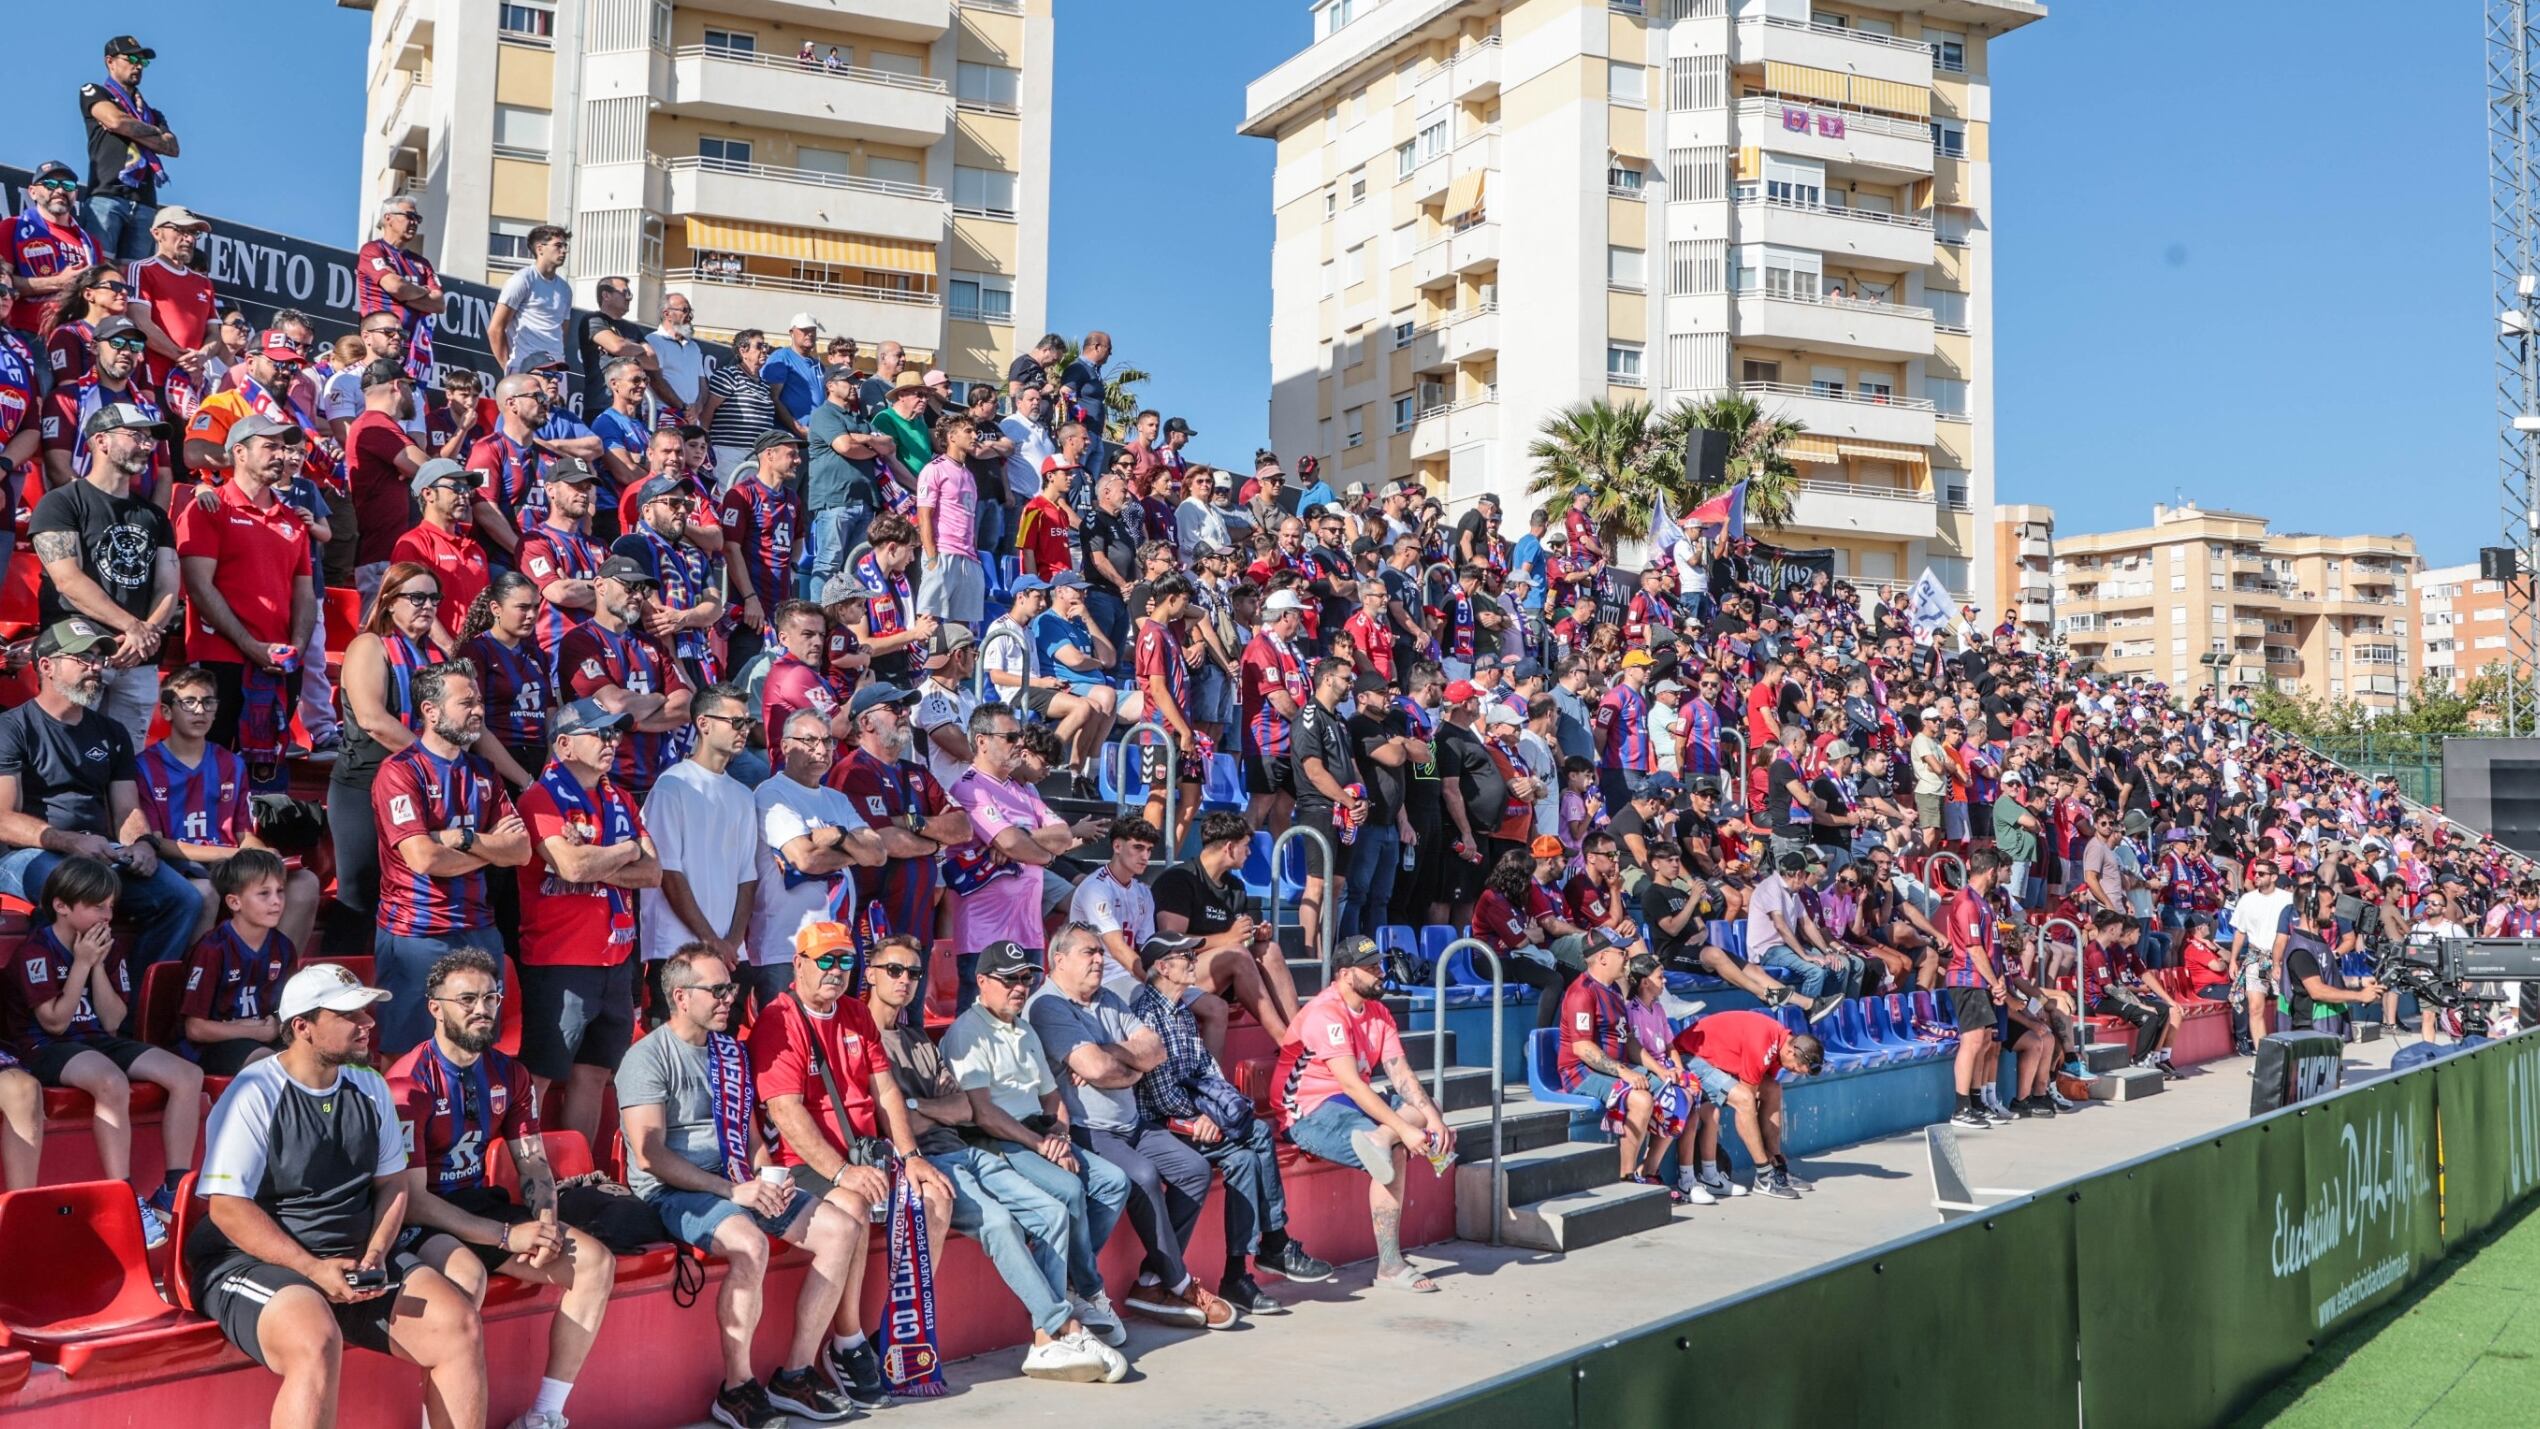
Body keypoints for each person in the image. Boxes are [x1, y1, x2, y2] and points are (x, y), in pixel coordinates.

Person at [186, 962, 491, 1429]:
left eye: (367, 1012)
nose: (367, 1023)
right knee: (315, 1339)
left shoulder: (370, 1085)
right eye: (350, 1014)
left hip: (350, 1256)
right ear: (303, 1027)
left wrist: (375, 1254)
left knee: (458, 1326)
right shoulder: (254, 1092)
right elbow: (228, 1209)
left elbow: (392, 1184)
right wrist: (310, 1268)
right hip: (249, 1260)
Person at [862, 934, 1128, 1383]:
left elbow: (961, 1108)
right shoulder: (863, 1038)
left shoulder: (916, 1037)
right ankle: (1060, 1328)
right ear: (870, 975)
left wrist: (909, 1109)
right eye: (894, 971)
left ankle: (1057, 1329)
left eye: (912, 972)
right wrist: (910, 1118)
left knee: (1054, 1211)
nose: (905, 980)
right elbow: (888, 1118)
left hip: (962, 1147)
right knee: (1004, 1222)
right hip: (931, 1161)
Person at [617, 943, 863, 1427]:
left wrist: (766, 1176)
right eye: (718, 990)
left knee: (840, 1230)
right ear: (681, 996)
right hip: (673, 1191)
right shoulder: (646, 1058)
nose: (730, 998)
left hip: (734, 1180)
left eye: (730, 988)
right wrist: (732, 1192)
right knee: (749, 1244)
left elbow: (748, 1133)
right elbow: (651, 1156)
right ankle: (737, 1388)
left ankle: (795, 1373)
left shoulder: (729, 1050)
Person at [388, 948, 617, 1429]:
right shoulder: (408, 1084)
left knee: (594, 1262)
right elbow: (411, 1201)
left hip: (481, 1208)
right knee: (466, 1277)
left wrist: (547, 1221)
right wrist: (503, 1237)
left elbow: (532, 1163)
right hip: (423, 1218)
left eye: (491, 998)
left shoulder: (508, 1073)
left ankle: (544, 1415)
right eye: (466, 999)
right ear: (435, 1007)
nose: (482, 1009)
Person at [748, 921, 957, 1410]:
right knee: (856, 1202)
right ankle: (848, 1341)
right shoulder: (779, 1020)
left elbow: (885, 1089)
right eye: (825, 960)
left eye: (845, 961)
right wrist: (843, 1172)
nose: (836, 972)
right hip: (805, 1162)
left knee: (936, 1197)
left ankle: (899, 1336)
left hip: (864, 1154)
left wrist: (910, 1156)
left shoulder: (856, 1013)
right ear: (798, 963)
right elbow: (786, 1112)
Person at [1027, 923, 1240, 1329]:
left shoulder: (1108, 997)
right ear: (1059, 960)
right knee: (1141, 1176)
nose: (1099, 959)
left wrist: (1112, 1059)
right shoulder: (1048, 1006)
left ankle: (1150, 1278)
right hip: (1088, 1128)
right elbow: (1094, 1067)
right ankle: (1180, 1284)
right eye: (1088, 952)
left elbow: (1154, 1051)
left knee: (1194, 1169)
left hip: (1132, 1122)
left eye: (1100, 952)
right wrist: (1123, 1064)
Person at [1124, 932, 1335, 1314]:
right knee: (1254, 1133)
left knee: (1243, 1160)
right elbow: (1159, 1094)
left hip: (1191, 1118)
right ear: (1162, 967)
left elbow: (1209, 1072)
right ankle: (1272, 1241)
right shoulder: (1145, 1012)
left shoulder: (1180, 1009)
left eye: (1192, 953)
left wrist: (1219, 1112)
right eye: (1184, 955)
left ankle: (1236, 1274)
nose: (1193, 960)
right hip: (1161, 1126)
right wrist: (1205, 1118)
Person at [940, 940, 1135, 1345]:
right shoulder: (966, 1032)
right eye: (1009, 979)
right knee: (1068, 1190)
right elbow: (982, 1113)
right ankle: (1083, 1293)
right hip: (999, 1140)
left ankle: (1068, 1283)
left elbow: (1050, 1097)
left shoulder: (1024, 1027)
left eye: (1026, 978)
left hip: (1039, 1134)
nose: (1020, 987)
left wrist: (1059, 1136)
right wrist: (1039, 1143)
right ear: (981, 982)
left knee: (1115, 1182)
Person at [3, 855, 201, 1242]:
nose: (107, 915)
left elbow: (112, 1020)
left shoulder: (102, 947)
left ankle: (173, 1186)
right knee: (110, 1080)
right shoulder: (35, 952)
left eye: (111, 906)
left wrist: (95, 965)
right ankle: (124, 1195)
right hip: (45, 1046)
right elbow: (56, 1022)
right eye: (97, 906)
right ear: (61, 906)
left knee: (187, 1075)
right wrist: (79, 964)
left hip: (96, 1037)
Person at [0, 618, 203, 973]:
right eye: (82, 658)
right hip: (28, 856)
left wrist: (141, 844)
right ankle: (53, 1006)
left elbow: (126, 809)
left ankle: (135, 1007)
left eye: (98, 658)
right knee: (75, 890)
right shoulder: (11, 727)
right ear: (46, 666)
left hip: (99, 852)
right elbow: (3, 819)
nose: (95, 666)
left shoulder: (112, 732)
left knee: (183, 898)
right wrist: (70, 842)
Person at [1270, 935, 1454, 1293]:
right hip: (1307, 1110)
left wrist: (1431, 1119)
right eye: (1369, 968)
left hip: (1348, 1101)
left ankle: (1380, 1138)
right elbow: (1353, 1085)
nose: (1380, 973)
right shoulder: (1327, 1013)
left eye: (1379, 965)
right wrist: (1405, 1128)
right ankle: (1389, 1264)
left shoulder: (1379, 1012)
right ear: (1344, 974)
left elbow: (1400, 1073)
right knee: (1400, 1146)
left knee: (1427, 1109)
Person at [514, 697, 659, 1147]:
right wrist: (627, 849)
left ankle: (577, 1176)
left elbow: (653, 873)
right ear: (564, 744)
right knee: (540, 1076)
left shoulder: (618, 798)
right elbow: (573, 868)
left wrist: (597, 857)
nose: (610, 741)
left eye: (613, 732)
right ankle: (529, 1176)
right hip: (560, 961)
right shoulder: (540, 797)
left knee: (594, 1073)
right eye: (598, 733)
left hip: (615, 958)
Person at [371, 661, 531, 1059]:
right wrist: (491, 851)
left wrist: (464, 839)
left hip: (479, 929)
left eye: (479, 701)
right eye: (466, 703)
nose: (478, 710)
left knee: (476, 1050)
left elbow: (521, 851)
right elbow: (423, 858)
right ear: (431, 711)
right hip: (417, 933)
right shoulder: (399, 772)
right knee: (407, 1052)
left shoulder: (483, 771)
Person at [129, 666, 321, 950]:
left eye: (208, 702)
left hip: (228, 865)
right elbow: (157, 844)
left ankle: (275, 981)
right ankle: (195, 983)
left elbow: (243, 833)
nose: (200, 711)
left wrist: (262, 853)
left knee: (304, 883)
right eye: (189, 702)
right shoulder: (144, 766)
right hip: (180, 867)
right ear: (167, 712)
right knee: (204, 892)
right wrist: (233, 854)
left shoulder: (231, 763)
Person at [29, 399, 179, 745]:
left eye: (149, 439)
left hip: (137, 658)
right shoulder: (62, 502)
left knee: (129, 759)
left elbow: (169, 588)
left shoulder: (154, 516)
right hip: (79, 651)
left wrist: (145, 634)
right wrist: (132, 627)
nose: (146, 446)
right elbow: (67, 580)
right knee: (69, 750)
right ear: (101, 440)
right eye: (136, 436)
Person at [946, 703, 1113, 1007]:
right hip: (985, 935)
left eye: (1020, 737)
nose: (1020, 744)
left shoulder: (1022, 790)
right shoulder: (970, 788)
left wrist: (1020, 841)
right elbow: (1009, 842)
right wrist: (1038, 853)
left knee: (1025, 1027)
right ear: (982, 741)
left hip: (1029, 933)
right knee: (983, 1028)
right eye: (1010, 738)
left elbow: (1062, 835)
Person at [174, 405, 316, 760]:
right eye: (270, 447)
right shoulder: (210, 508)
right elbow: (199, 587)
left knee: (268, 771)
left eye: (284, 448)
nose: (282, 456)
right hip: (220, 659)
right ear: (238, 451)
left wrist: (296, 649)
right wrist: (250, 644)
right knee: (210, 766)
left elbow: (304, 594)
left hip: (279, 662)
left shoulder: (293, 520)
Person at [746, 707, 885, 1010]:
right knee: (787, 1043)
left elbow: (877, 854)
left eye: (827, 742)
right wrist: (852, 852)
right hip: (786, 948)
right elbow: (805, 860)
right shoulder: (772, 794)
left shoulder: (837, 799)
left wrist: (837, 835)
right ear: (785, 747)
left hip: (835, 945)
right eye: (809, 741)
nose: (821, 750)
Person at [1154, 810, 1305, 1048]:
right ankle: (1287, 1044)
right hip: (1179, 972)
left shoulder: (1235, 887)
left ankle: (1300, 1035)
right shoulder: (1179, 879)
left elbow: (1235, 941)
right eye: (1245, 846)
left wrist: (1253, 936)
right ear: (1229, 847)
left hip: (1223, 972)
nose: (1249, 852)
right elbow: (1170, 942)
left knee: (1270, 950)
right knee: (1237, 955)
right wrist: (1228, 938)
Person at [558, 555, 696, 799]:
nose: (638, 595)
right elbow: (614, 705)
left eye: (642, 589)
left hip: (657, 782)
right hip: (603, 783)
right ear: (600, 586)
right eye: (629, 586)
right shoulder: (580, 641)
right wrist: (659, 698)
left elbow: (685, 706)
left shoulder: (652, 644)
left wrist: (632, 722)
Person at [1670, 1009, 1827, 1198]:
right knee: (1744, 1100)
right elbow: (1748, 1101)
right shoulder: (1763, 1044)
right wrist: (1763, 1157)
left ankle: (1777, 1166)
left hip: (1717, 1063)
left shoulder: (1779, 1047)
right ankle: (1764, 1174)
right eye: (1797, 1068)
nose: (1796, 1072)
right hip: (1688, 1058)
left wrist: (1773, 1154)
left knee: (1773, 1090)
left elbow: (1763, 1094)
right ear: (1791, 1051)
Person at [176, 848, 297, 1076]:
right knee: (269, 1063)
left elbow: (288, 1011)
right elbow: (195, 1029)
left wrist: (277, 1025)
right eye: (264, 894)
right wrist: (253, 1032)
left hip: (262, 1039)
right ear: (234, 902)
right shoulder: (213, 949)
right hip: (212, 1048)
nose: (276, 901)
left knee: (315, 1053)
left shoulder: (284, 947)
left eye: (280, 891)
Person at [718, 430, 804, 673]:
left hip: (780, 610)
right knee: (744, 679)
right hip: (750, 612)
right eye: (791, 454)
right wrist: (749, 597)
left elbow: (799, 539)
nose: (798, 460)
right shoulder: (742, 494)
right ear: (769, 455)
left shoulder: (792, 499)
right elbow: (730, 548)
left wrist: (792, 567)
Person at [1942, 846, 2011, 1130]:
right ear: (1992, 871)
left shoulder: (1983, 903)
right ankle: (1960, 1108)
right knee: (1972, 1042)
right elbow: (1974, 949)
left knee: (1984, 1042)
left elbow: (1992, 949)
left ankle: (1974, 1100)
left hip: (1983, 980)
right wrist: (1995, 983)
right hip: (1967, 980)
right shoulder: (1967, 902)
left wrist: (2000, 978)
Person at [390, 458, 489, 642]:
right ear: (428, 494)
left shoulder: (475, 549)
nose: (465, 495)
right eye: (457, 488)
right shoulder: (414, 544)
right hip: (436, 660)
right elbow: (415, 609)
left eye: (467, 489)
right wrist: (453, 654)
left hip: (476, 656)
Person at [915, 414, 987, 625]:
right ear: (952, 436)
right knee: (928, 622)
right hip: (943, 552)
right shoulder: (933, 469)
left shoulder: (969, 475)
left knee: (963, 630)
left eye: (975, 431)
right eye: (968, 431)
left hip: (968, 557)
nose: (975, 436)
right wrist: (931, 558)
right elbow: (924, 516)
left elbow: (971, 519)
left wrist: (975, 555)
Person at [2227, 857, 2297, 1044]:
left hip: (2282, 959)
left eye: (2261, 874)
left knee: (2286, 1005)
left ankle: (2288, 1045)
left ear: (2273, 877)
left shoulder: (2288, 899)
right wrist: (2233, 960)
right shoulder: (2247, 900)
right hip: (2255, 957)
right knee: (2255, 1007)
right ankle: (2261, 1054)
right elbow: (2240, 932)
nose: (2256, 876)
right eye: (2255, 873)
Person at [488, 225, 572, 375]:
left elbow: (562, 332)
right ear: (540, 249)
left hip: (557, 368)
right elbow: (495, 329)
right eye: (558, 245)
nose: (564, 251)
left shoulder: (565, 289)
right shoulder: (521, 280)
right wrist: (507, 369)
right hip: (525, 366)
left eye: (565, 246)